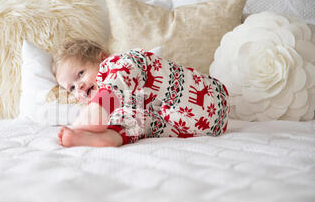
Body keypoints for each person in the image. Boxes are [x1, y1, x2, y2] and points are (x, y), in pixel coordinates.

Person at [53, 39, 230, 147]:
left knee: (127, 68)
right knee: (137, 120)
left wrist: (97, 109)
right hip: (191, 127)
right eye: (72, 88)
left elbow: (122, 75)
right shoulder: (120, 107)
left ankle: (94, 116)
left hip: (212, 97)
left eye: (80, 74)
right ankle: (109, 138)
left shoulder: (117, 64)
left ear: (101, 58)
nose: (80, 86)